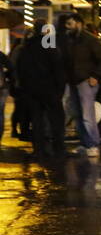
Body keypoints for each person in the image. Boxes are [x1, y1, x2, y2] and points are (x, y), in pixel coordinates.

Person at [57, 13, 101, 158]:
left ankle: (93, 144)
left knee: (88, 115)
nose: (67, 27)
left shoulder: (90, 40)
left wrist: (96, 76)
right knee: (77, 114)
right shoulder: (69, 40)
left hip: (85, 82)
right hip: (73, 82)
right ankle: (85, 143)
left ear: (79, 23)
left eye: (70, 24)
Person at [14, 25, 66, 160]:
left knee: (37, 120)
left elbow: (21, 68)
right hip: (50, 89)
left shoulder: (27, 47)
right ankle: (59, 149)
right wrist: (60, 88)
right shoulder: (50, 46)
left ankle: (39, 150)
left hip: (32, 90)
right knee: (56, 119)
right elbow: (58, 68)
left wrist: (25, 87)